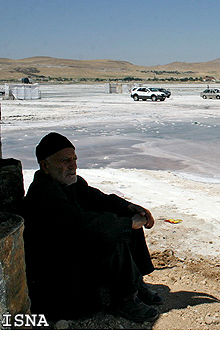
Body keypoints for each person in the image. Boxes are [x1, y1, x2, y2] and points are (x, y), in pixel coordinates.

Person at [21, 132, 163, 323]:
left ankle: (135, 282)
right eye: (65, 161)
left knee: (125, 218)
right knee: (111, 233)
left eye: (74, 159)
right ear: (45, 166)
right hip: (58, 268)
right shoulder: (44, 193)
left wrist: (129, 208)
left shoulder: (68, 182)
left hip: (74, 248)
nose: (73, 166)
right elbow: (82, 224)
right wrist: (127, 224)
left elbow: (97, 198)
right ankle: (124, 299)